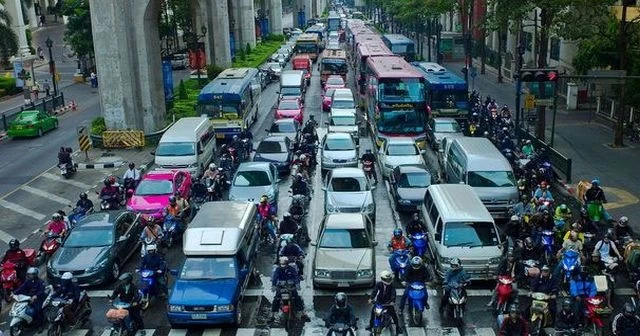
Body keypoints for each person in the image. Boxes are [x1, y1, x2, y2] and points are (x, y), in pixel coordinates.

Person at [271, 256, 309, 322]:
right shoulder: (278, 269)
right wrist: (274, 286)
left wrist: (297, 284)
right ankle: (272, 315)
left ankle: (304, 314)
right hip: (281, 288)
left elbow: (296, 277)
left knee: (297, 298)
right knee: (276, 299)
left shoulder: (291, 269)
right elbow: (275, 278)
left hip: (291, 288)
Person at [366, 271, 401, 335]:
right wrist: (371, 298)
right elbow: (375, 291)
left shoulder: (392, 285)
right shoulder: (379, 284)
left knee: (393, 314)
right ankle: (370, 325)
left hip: (388, 303)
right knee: (373, 312)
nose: (387, 281)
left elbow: (393, 293)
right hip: (379, 302)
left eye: (389, 279)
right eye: (386, 279)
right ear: (382, 279)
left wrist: (392, 301)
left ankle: (398, 327)